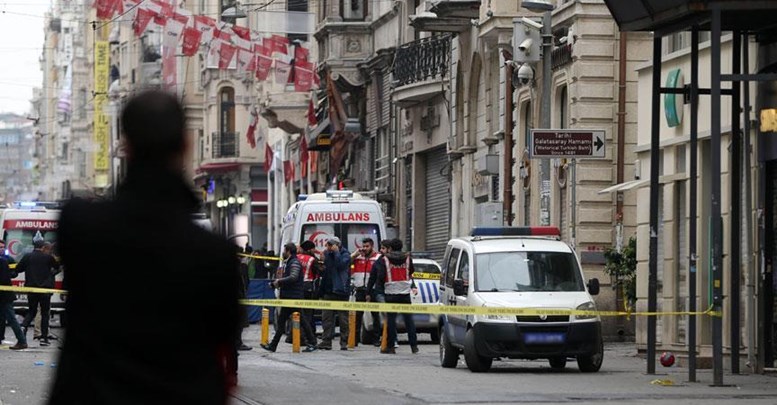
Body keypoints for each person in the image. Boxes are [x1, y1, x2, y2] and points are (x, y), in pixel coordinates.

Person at [49, 90, 241, 404]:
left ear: (126, 146)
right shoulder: (215, 254)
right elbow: (222, 343)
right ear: (186, 144)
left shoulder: (80, 227)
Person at [261, 243, 317, 352]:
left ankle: (312, 343)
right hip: (289, 296)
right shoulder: (290, 262)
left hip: (293, 297)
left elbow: (293, 277)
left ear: (289, 251)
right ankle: (273, 345)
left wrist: (278, 282)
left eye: (284, 250)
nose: (283, 252)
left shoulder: (294, 262)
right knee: (283, 323)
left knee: (301, 321)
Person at [371, 239, 418, 354]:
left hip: (391, 294)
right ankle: (414, 346)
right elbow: (411, 271)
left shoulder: (385, 259)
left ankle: (391, 346)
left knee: (391, 321)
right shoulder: (407, 258)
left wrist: (380, 288)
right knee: (409, 321)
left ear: (391, 248)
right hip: (405, 294)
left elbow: (381, 276)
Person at [16, 239, 59, 347]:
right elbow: (57, 267)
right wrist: (51, 274)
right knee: (45, 314)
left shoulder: (27, 256)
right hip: (45, 290)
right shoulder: (48, 257)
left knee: (31, 311)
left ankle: (23, 326)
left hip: (31, 289)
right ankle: (44, 339)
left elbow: (18, 269)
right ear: (43, 247)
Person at [317, 237, 351, 351]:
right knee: (326, 318)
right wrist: (321, 266)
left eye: (331, 245)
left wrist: (336, 252)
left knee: (343, 319)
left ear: (338, 245)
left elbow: (340, 265)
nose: (329, 247)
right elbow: (325, 272)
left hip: (341, 291)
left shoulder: (345, 255)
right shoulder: (327, 254)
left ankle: (344, 342)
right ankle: (326, 341)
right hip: (328, 290)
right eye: (328, 245)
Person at [350, 238, 380, 346]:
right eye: (364, 246)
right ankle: (355, 339)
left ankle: (376, 339)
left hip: (373, 290)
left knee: (375, 315)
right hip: (360, 289)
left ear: (372, 246)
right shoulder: (358, 257)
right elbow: (346, 262)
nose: (365, 248)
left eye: (367, 246)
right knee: (358, 316)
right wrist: (355, 254)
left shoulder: (378, 257)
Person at [366, 239, 393, 347]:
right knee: (378, 316)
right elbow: (372, 277)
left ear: (389, 249)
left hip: (391, 292)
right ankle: (378, 338)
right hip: (379, 292)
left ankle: (390, 339)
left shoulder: (396, 261)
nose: (381, 250)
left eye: (383, 248)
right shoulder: (379, 261)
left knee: (390, 316)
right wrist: (368, 292)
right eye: (381, 248)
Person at [0, 242, 26, 350]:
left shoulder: (4, 260)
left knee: (11, 319)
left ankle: (22, 341)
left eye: (2, 247)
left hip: (4, 296)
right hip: (4, 295)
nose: (1, 249)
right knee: (2, 318)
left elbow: (6, 277)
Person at [298, 240, 321, 348]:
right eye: (313, 249)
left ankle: (299, 337)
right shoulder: (312, 259)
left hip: (297, 289)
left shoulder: (296, 258)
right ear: (309, 249)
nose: (314, 251)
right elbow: (320, 271)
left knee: (299, 314)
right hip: (308, 288)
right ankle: (307, 339)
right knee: (308, 315)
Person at [0, 239, 16, 344]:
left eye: (2, 247)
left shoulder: (9, 259)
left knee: (3, 317)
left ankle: (1, 336)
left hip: (4, 293)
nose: (1, 249)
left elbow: (15, 273)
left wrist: (8, 274)